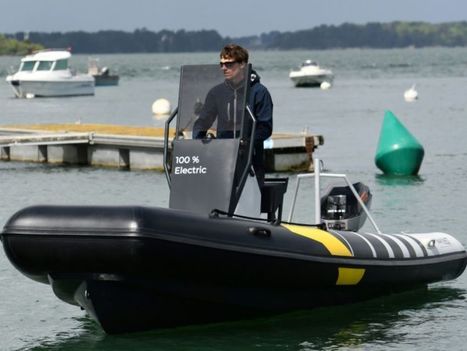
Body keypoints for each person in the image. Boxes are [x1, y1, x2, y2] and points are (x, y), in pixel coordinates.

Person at [192, 44, 273, 185]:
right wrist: (198, 141)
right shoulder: (216, 92)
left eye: (229, 64)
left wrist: (245, 142)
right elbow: (203, 121)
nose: (224, 68)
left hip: (250, 160)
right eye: (221, 64)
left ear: (242, 64)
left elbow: (265, 127)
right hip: (223, 158)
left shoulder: (259, 92)